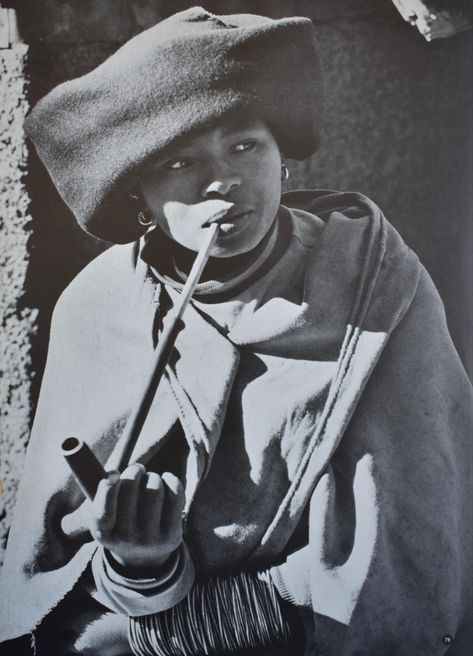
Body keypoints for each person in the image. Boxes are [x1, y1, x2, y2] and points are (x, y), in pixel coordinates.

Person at [0, 7, 471, 656]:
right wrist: (141, 561)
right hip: (148, 613)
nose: (221, 181)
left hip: (316, 625)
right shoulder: (102, 305)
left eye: (244, 145)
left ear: (281, 157)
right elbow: (67, 566)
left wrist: (209, 624)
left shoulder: (374, 285)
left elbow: (410, 541)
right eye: (176, 163)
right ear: (137, 193)